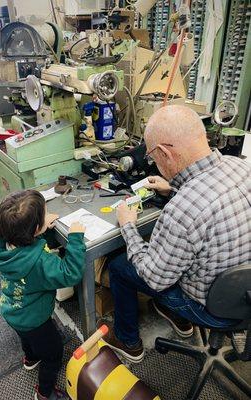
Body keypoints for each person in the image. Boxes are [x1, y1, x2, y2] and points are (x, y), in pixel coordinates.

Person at [99, 105, 251, 363]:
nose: (154, 164)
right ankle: (178, 319)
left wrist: (128, 226)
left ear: (165, 153)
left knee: (120, 267)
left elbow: (154, 278)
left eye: (153, 158)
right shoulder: (241, 167)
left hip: (213, 309)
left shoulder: (182, 211)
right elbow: (209, 196)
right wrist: (174, 188)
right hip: (245, 295)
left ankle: (128, 341)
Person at [0, 190, 86, 400]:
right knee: (53, 354)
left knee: (27, 339)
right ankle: (44, 392)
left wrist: (42, 230)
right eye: (44, 213)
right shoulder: (41, 263)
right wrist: (75, 238)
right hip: (35, 319)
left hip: (11, 310)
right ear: (35, 229)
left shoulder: (6, 244)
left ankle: (30, 358)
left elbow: (33, 247)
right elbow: (70, 274)